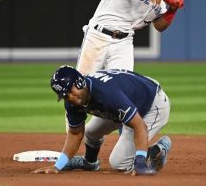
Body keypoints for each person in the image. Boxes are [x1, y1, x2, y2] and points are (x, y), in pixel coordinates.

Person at [31, 65, 172, 175]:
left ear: (80, 82)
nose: (70, 98)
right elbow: (75, 133)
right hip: (126, 98)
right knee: (91, 132)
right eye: (65, 96)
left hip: (152, 104)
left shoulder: (107, 94)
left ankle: (158, 150)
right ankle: (90, 162)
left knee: (119, 163)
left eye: (70, 91)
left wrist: (140, 162)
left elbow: (139, 126)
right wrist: (58, 166)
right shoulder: (73, 102)